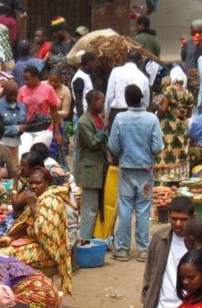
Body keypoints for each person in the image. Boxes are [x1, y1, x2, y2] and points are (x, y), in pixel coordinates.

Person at [140, 196, 196, 308]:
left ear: (192, 218)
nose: (178, 223)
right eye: (174, 219)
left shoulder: (198, 243)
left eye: (183, 219)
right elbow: (150, 270)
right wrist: (146, 299)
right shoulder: (160, 237)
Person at [108, 84, 164, 263]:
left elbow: (113, 146)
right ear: (141, 98)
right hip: (145, 170)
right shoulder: (151, 119)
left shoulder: (120, 118)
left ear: (126, 99)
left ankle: (123, 249)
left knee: (125, 209)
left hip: (126, 169)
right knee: (143, 209)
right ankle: (143, 250)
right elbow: (157, 147)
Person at [0, 167, 72, 294]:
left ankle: (6, 296)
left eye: (38, 183)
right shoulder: (38, 198)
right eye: (31, 183)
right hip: (36, 244)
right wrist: (11, 238)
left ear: (47, 183)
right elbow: (28, 226)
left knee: (3, 258)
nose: (33, 186)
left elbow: (46, 232)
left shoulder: (52, 201)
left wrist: (32, 205)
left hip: (50, 251)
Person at [76, 90, 107, 243]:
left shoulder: (96, 118)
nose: (103, 104)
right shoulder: (83, 121)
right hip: (89, 169)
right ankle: (85, 239)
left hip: (98, 167)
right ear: (92, 102)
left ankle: (93, 238)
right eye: (101, 101)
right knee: (90, 207)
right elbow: (93, 142)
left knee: (97, 206)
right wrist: (104, 129)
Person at [156, 67, 194, 182]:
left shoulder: (169, 91)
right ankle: (178, 179)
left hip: (168, 128)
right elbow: (189, 115)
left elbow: (163, 109)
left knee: (166, 152)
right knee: (180, 153)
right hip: (181, 129)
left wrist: (157, 115)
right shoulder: (188, 94)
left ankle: (165, 180)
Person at [17, 65, 62, 154]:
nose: (25, 82)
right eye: (24, 79)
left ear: (36, 77)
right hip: (27, 129)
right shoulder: (22, 90)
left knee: (37, 156)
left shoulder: (48, 89)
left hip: (44, 129)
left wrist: (57, 132)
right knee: (23, 155)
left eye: (27, 79)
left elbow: (54, 111)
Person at [104, 51, 150, 129]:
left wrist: (107, 115)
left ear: (126, 59)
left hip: (116, 113)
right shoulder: (143, 77)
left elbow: (109, 96)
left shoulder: (116, 71)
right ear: (139, 61)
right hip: (135, 115)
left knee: (115, 140)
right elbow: (145, 102)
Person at [0, 80, 27, 161]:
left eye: (15, 94)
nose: (13, 96)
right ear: (5, 92)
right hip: (1, 143)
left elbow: (24, 123)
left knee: (14, 170)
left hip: (16, 144)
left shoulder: (22, 106)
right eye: (10, 94)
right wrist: (16, 129)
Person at [71, 52, 98, 120]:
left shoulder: (88, 75)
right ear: (90, 63)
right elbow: (78, 101)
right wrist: (82, 119)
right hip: (82, 117)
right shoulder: (79, 78)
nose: (96, 65)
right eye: (95, 62)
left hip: (89, 115)